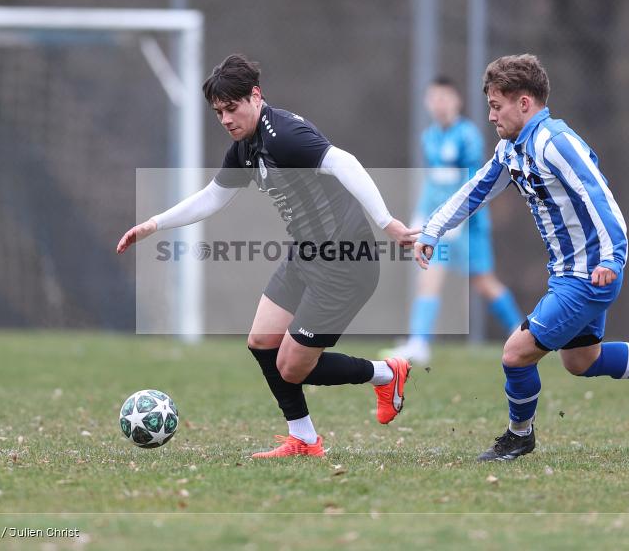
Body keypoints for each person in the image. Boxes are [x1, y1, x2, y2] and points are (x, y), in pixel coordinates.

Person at [414, 54, 629, 461]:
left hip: (589, 275)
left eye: (496, 105)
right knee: (581, 361)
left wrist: (612, 258)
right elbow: (477, 189)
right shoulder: (511, 148)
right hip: (568, 274)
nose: (490, 116)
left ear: (524, 103)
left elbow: (600, 197)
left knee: (515, 354)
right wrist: (433, 229)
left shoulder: (555, 142)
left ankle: (519, 436)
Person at [117, 54, 419, 458]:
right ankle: (304, 439)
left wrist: (387, 222)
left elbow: (343, 162)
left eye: (232, 108)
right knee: (261, 341)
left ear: (255, 96)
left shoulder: (285, 135)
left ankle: (385, 373)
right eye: (218, 112)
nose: (226, 119)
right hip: (305, 254)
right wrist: (154, 224)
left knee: (291, 367)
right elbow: (212, 198)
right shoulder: (245, 147)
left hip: (345, 262)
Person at [385, 76, 522, 366]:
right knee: (429, 276)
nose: (439, 104)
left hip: (471, 225)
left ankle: (521, 332)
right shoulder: (429, 137)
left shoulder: (468, 135)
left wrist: (456, 220)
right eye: (434, 98)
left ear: (456, 101)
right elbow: (434, 182)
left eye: (444, 98)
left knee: (484, 283)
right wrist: (422, 216)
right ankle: (419, 343)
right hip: (442, 226)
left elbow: (474, 182)